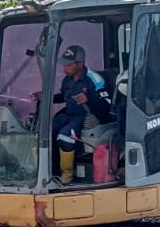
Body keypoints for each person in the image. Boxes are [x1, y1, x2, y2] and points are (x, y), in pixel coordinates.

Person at [34, 45, 111, 184]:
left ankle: (67, 176)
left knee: (64, 136)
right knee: (47, 131)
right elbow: (64, 97)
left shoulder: (94, 79)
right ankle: (52, 171)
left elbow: (107, 103)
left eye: (69, 65)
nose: (65, 68)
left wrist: (89, 99)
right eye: (64, 64)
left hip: (86, 116)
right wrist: (46, 97)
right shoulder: (67, 80)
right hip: (69, 114)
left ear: (81, 63)